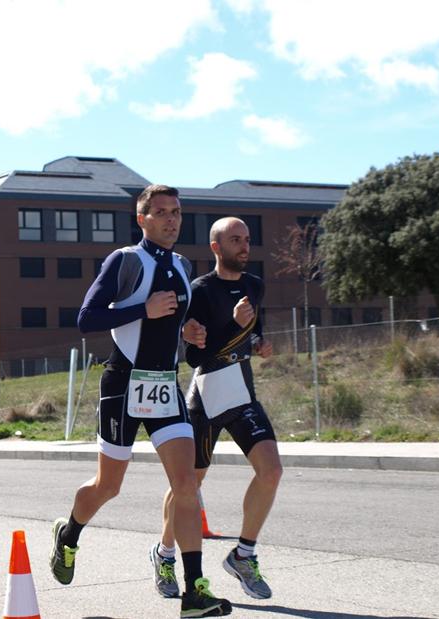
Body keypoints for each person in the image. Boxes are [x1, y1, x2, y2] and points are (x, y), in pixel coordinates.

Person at [49, 185, 232, 617]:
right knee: (108, 486)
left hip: (165, 384)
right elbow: (86, 319)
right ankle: (69, 534)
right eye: (162, 212)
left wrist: (189, 331)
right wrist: (142, 310)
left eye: (177, 212)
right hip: (123, 383)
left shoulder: (185, 266)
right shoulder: (126, 260)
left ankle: (194, 592)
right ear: (142, 219)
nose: (171, 220)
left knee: (186, 485)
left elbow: (177, 318)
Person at [153, 216, 282, 601]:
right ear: (216, 247)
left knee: (272, 471)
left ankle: (244, 554)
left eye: (247, 239)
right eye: (235, 240)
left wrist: (259, 343)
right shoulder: (199, 291)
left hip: (242, 394)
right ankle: (164, 554)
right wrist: (231, 324)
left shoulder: (254, 286)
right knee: (188, 486)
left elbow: (252, 331)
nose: (244, 246)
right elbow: (195, 356)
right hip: (206, 398)